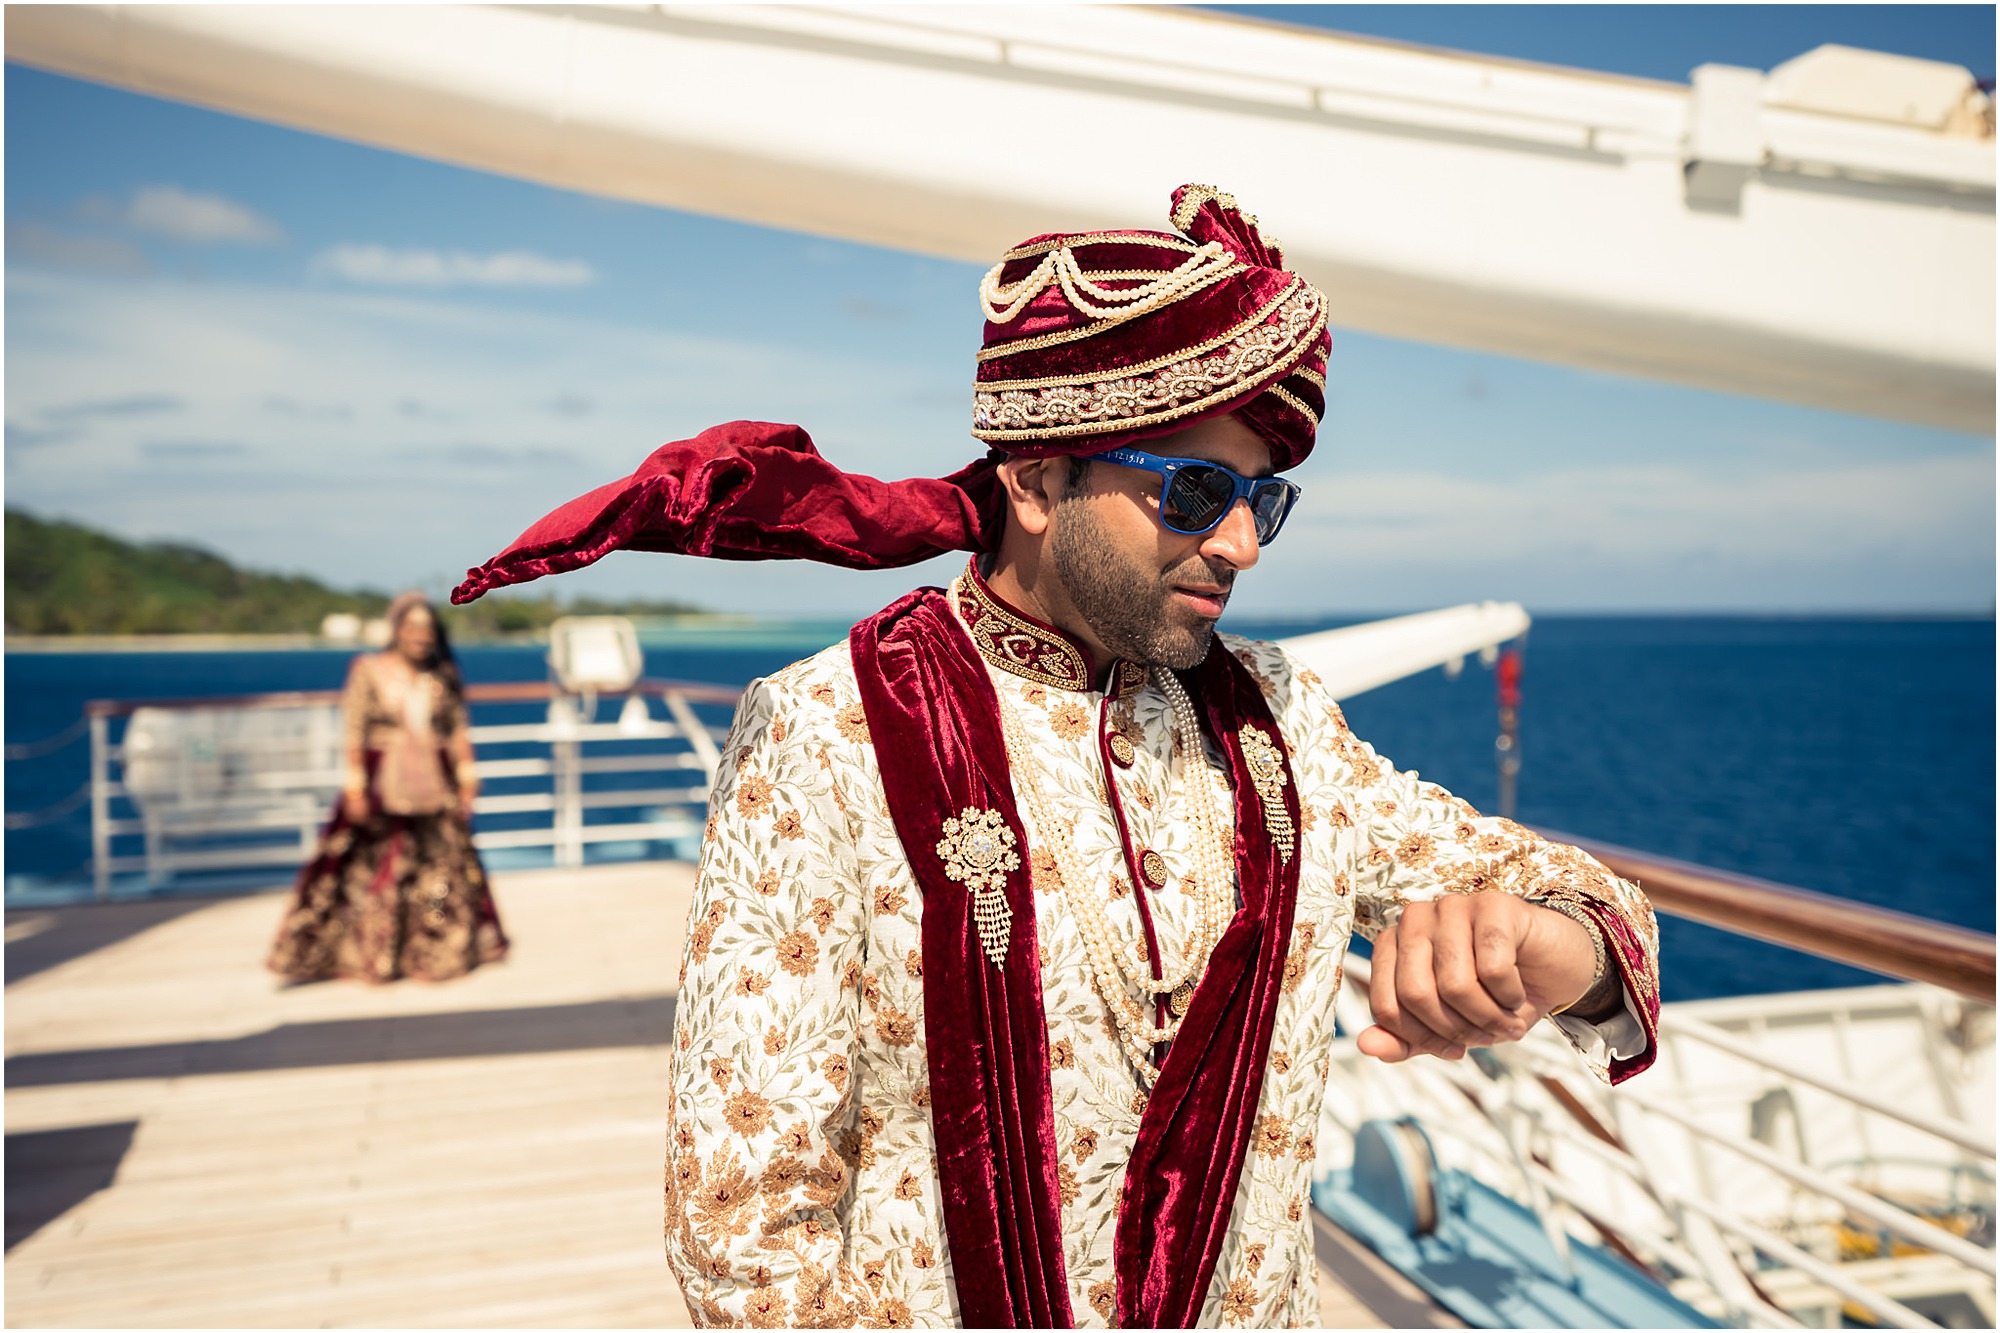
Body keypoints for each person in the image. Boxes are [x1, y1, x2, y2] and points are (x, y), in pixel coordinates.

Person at [453, 185, 1658, 1328]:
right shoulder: (829, 727)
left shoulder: (1281, 719)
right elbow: (745, 1220)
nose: (1239, 542)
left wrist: (1549, 952)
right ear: (1036, 476)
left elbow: (1592, 904)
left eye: (1263, 498)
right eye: (1192, 490)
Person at [268, 591, 508, 983]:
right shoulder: (369, 669)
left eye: (427, 628)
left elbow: (456, 728)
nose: (420, 636)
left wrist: (467, 775)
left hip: (434, 779)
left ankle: (433, 953)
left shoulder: (442, 674)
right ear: (397, 630)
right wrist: (356, 787)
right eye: (412, 627)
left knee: (440, 869)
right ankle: (375, 954)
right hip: (384, 781)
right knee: (375, 869)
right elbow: (355, 728)